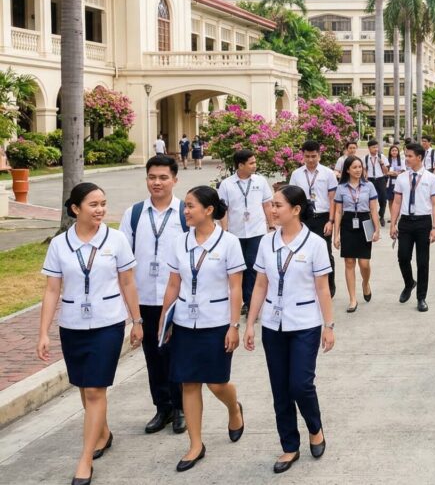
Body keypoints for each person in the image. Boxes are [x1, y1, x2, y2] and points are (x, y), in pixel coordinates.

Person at [38, 182, 144, 485]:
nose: (100, 210)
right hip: (72, 325)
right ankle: (104, 432)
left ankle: (84, 461)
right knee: (85, 388)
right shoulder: (60, 244)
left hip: (107, 324)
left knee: (96, 389)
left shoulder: (117, 239)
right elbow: (52, 290)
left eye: (103, 204)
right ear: (75, 209)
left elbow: (127, 283)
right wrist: (43, 332)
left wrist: (136, 321)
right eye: (93, 205)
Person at [244, 185, 336, 474]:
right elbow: (260, 284)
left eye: (278, 205)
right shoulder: (267, 242)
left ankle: (315, 427)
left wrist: (328, 326)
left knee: (300, 384)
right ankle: (289, 446)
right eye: (272, 205)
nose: (272, 210)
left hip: (305, 324)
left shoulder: (315, 244)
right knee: (280, 388)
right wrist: (249, 323)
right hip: (273, 324)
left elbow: (323, 288)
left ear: (295, 210)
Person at [158, 186, 246, 472]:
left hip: (217, 322)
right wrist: (164, 321)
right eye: (185, 206)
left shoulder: (229, 243)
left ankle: (234, 408)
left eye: (190, 206)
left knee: (217, 382)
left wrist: (234, 325)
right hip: (184, 321)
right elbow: (173, 284)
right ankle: (195, 444)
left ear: (208, 210)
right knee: (189, 382)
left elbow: (236, 288)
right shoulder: (178, 242)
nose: (185, 211)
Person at [120, 155, 187, 435]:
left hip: (178, 300)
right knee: (153, 355)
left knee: (176, 354)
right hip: (145, 298)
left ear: (174, 179)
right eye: (152, 177)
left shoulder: (186, 212)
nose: (157, 182)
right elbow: (123, 260)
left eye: (163, 177)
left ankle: (182, 407)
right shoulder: (133, 213)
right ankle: (163, 407)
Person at [218, 150, 273, 314]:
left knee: (253, 267)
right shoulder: (227, 184)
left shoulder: (260, 181)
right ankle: (243, 300)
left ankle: (250, 303)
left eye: (255, 162)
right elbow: (224, 210)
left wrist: (271, 226)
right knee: (237, 268)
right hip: (235, 234)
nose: (255, 165)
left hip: (257, 232)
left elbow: (267, 205)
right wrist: (225, 230)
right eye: (251, 163)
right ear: (240, 165)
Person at [389, 142, 435, 312]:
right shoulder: (402, 177)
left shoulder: (431, 178)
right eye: (406, 155)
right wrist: (393, 224)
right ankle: (409, 282)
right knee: (403, 257)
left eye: (410, 156)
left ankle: (421, 297)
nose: (407, 158)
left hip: (423, 222)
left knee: (422, 261)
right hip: (405, 222)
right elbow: (396, 201)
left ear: (419, 157)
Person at [287, 140, 338, 297]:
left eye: (314, 156)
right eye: (307, 156)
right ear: (303, 156)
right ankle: (307, 287)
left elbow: (332, 200)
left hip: (322, 218)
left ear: (319, 155)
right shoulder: (296, 174)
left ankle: (329, 287)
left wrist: (331, 221)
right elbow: (291, 199)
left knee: (325, 253)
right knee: (301, 253)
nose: (310, 160)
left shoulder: (328, 174)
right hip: (303, 219)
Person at [332, 155, 381, 313]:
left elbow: (374, 209)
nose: (358, 170)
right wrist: (336, 234)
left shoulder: (369, 186)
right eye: (354, 167)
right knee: (349, 263)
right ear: (347, 169)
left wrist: (377, 229)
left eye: (360, 167)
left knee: (364, 263)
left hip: (365, 222)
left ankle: (365, 283)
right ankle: (353, 299)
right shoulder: (341, 188)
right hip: (347, 223)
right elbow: (338, 212)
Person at [363, 139, 390, 222]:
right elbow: (364, 169)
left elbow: (386, 172)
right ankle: (371, 216)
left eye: (377, 147)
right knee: (370, 199)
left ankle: (381, 216)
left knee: (383, 199)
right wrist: (365, 177)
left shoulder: (382, 157)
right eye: (373, 147)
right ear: (369, 148)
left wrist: (382, 163)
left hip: (380, 179)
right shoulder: (366, 158)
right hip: (370, 180)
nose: (376, 149)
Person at [384, 144, 405, 222]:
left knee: (398, 199)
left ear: (398, 152)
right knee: (390, 200)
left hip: (399, 181)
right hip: (389, 182)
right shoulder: (387, 160)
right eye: (392, 150)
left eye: (396, 150)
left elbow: (403, 171)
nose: (394, 152)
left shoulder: (401, 160)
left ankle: (397, 216)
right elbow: (385, 172)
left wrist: (395, 173)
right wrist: (393, 173)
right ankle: (392, 217)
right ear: (390, 152)